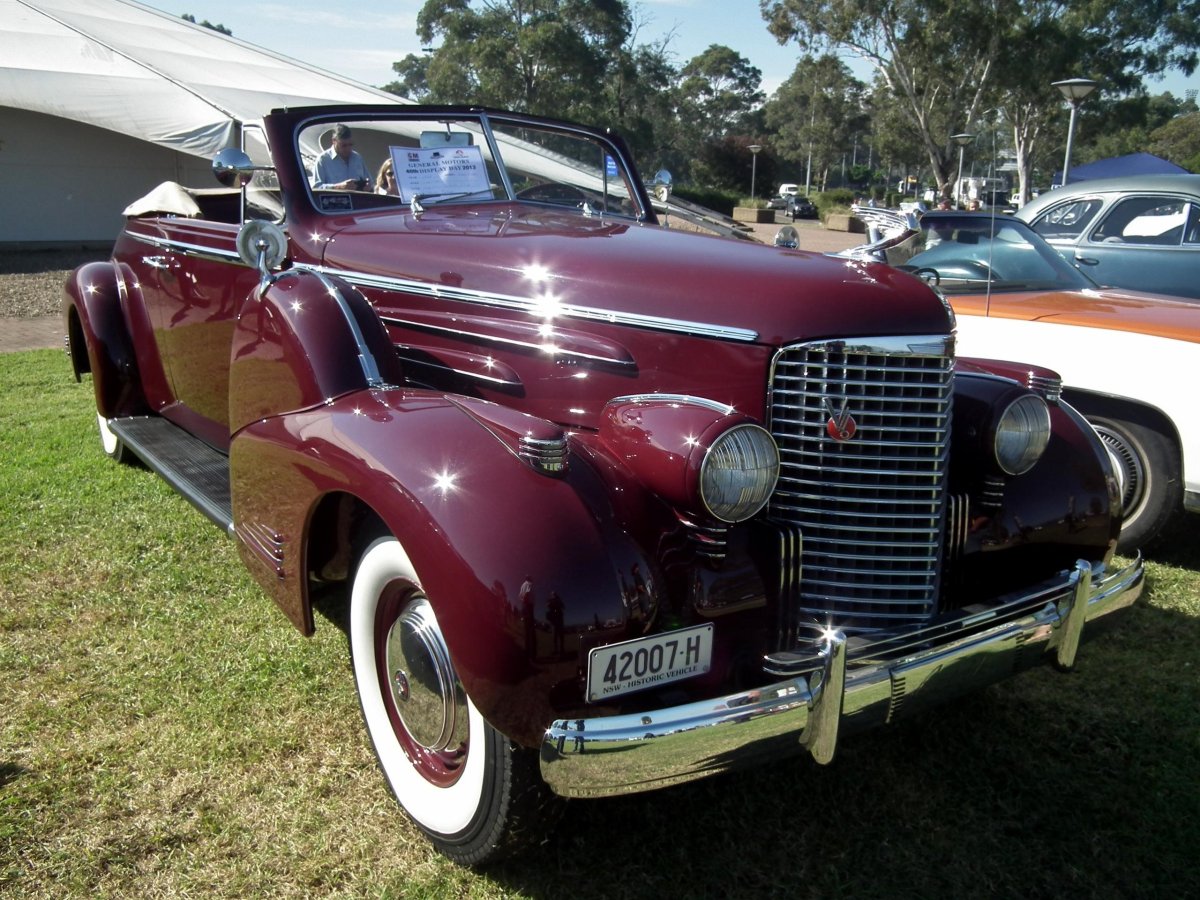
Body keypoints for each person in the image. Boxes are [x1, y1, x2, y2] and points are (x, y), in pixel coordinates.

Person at [312, 123, 371, 190]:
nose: (348, 149)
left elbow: (371, 183)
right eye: (343, 145)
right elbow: (316, 188)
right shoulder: (323, 160)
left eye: (350, 144)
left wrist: (368, 186)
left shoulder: (357, 158)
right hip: (335, 199)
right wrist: (338, 187)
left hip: (357, 199)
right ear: (334, 141)